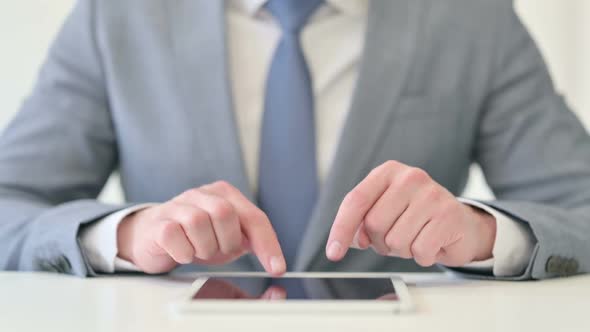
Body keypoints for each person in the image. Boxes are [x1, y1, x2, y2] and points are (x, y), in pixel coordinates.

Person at [0, 0, 588, 281]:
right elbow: (9, 201)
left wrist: (485, 232)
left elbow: (580, 207)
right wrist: (124, 234)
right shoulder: (115, 18)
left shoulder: (472, 19)